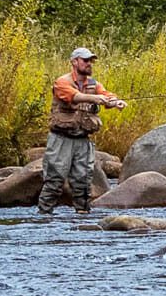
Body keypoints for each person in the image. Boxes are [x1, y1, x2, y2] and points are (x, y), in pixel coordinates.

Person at [37, 47, 127, 215]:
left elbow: (107, 96)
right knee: (54, 181)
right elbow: (74, 96)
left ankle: (82, 217)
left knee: (83, 183)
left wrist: (115, 102)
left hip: (83, 140)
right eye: (85, 60)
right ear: (74, 62)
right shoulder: (62, 82)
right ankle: (43, 218)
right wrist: (95, 98)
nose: (89, 64)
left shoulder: (94, 85)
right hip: (60, 140)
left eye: (91, 61)